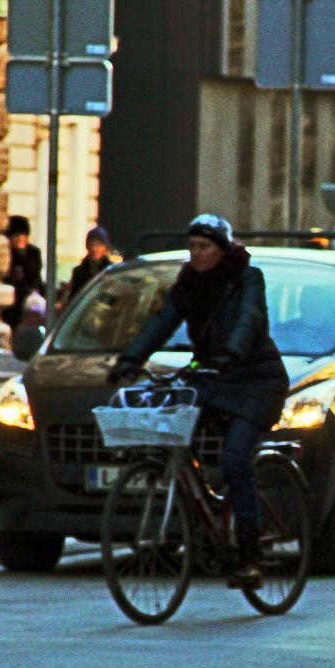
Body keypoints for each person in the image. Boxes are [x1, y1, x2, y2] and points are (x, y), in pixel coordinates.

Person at [107, 214, 290, 587]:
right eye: (192, 247)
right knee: (176, 433)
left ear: (222, 250)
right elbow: (162, 322)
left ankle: (250, 555)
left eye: (204, 247)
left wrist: (232, 352)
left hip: (257, 381)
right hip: (214, 378)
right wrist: (130, 359)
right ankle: (207, 518)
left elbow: (248, 318)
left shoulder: (246, 278)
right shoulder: (188, 284)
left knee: (236, 460)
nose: (197, 254)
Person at [0, 215, 44, 332]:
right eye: (17, 235)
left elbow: (35, 277)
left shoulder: (33, 253)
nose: (21, 239)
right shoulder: (6, 254)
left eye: (23, 235)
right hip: (11, 303)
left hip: (29, 299)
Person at [61, 225, 114, 308]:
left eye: (98, 245)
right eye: (91, 245)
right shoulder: (78, 272)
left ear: (105, 247)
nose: (94, 249)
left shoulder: (112, 271)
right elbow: (73, 300)